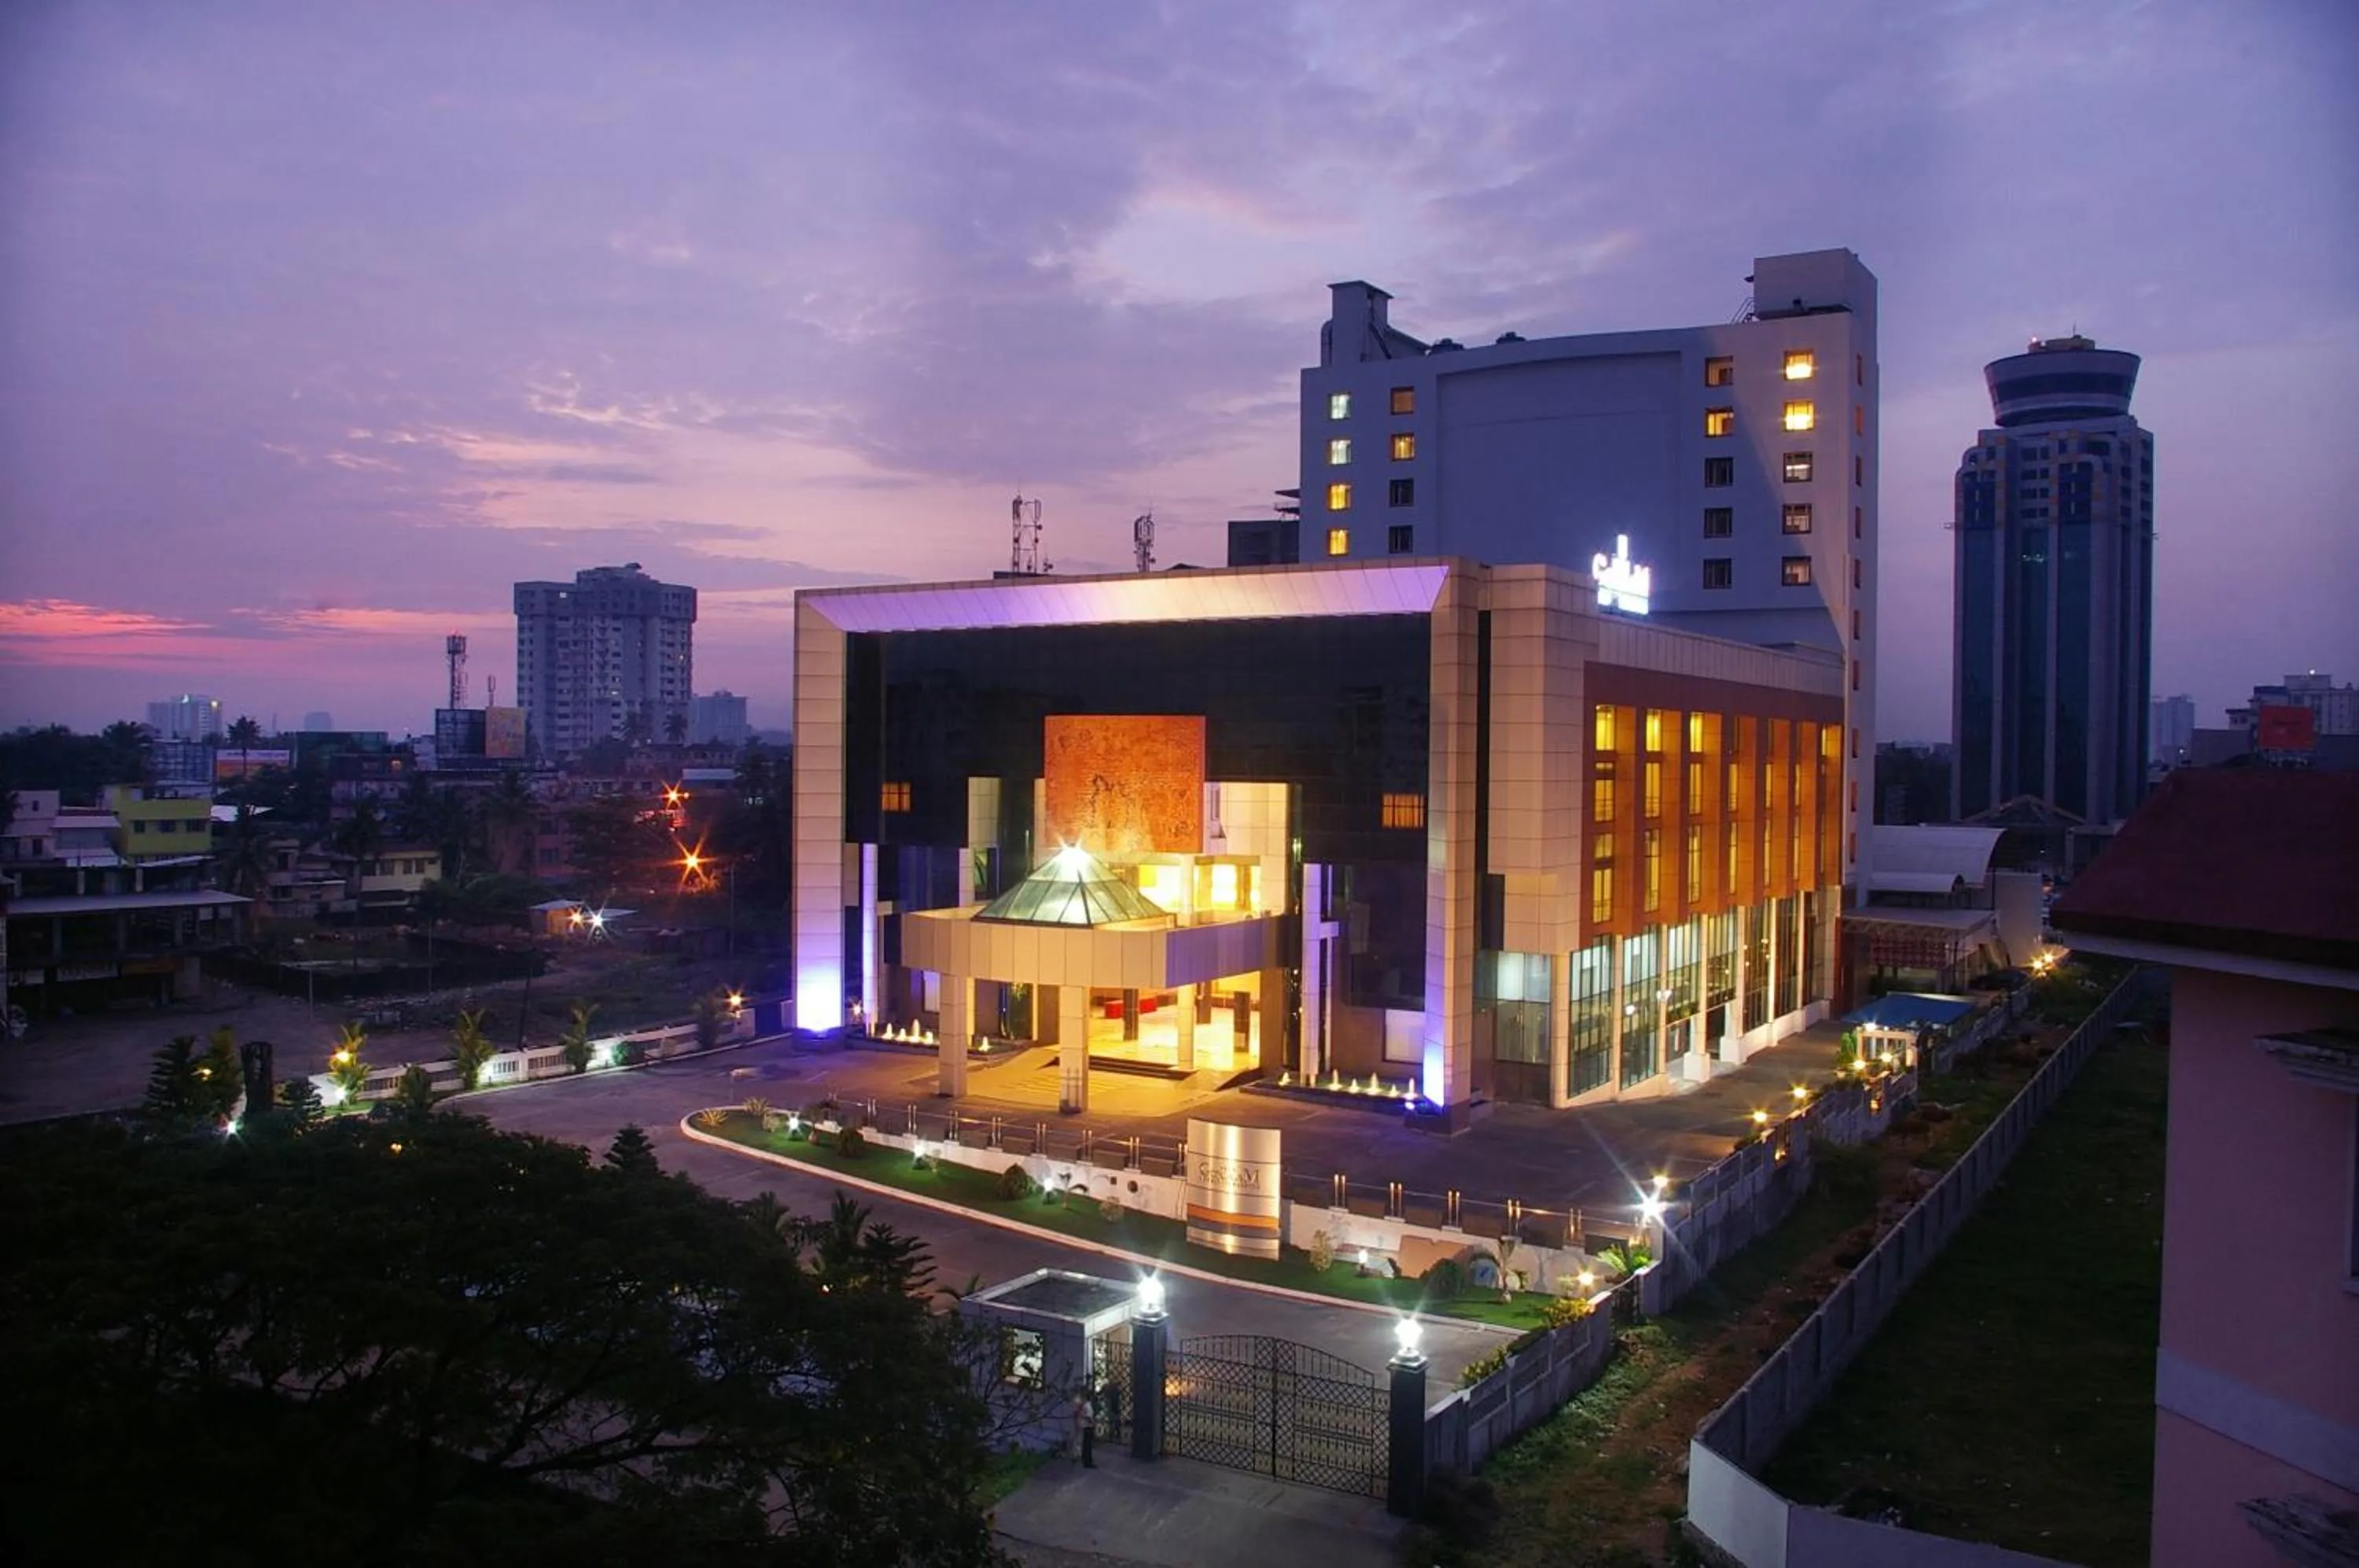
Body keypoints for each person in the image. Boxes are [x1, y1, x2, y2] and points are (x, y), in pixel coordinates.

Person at [1073, 1389, 1097, 1467]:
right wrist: (1093, 1423)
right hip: (1088, 1426)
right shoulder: (1087, 1406)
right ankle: (1088, 1461)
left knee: (1084, 1443)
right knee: (1088, 1445)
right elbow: (1088, 1416)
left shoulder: (1083, 1405)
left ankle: (1084, 1458)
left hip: (1084, 1426)